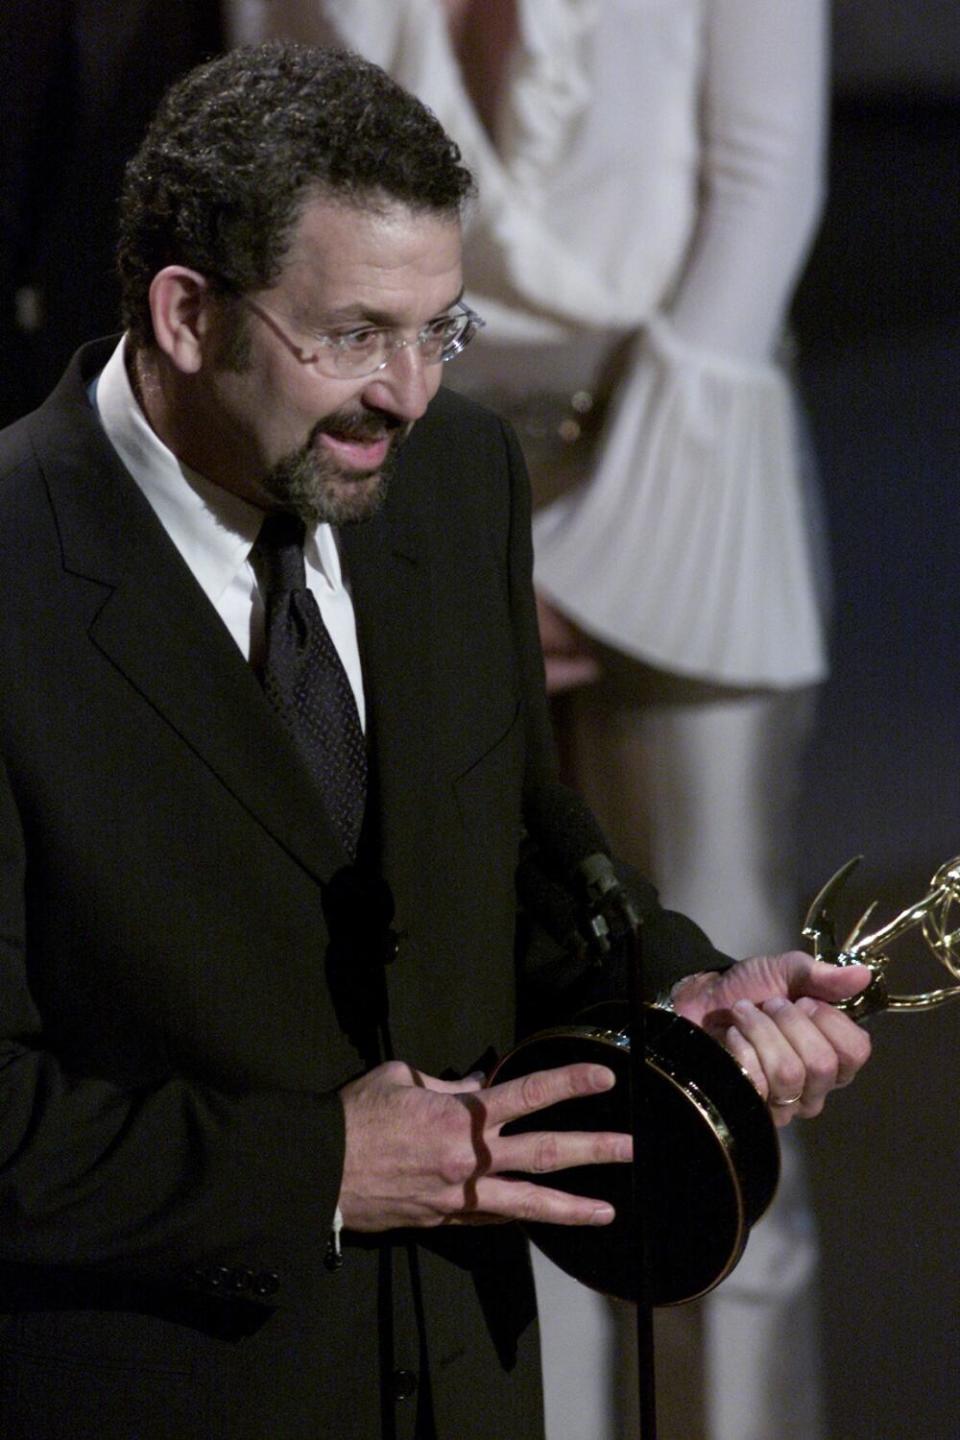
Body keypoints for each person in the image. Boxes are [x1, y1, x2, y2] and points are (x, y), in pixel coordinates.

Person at [0, 41, 871, 1440]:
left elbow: (518, 854)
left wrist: (673, 994)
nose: (405, 393)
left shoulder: (456, 483)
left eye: (439, 330)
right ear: (182, 315)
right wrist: (321, 1171)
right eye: (351, 335)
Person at [224, 4, 833, 1435]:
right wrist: (470, 562)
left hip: (684, 442)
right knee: (462, 994)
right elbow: (293, 181)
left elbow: (764, 191)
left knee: (725, 1017)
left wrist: (591, 573)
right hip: (406, 450)